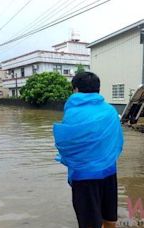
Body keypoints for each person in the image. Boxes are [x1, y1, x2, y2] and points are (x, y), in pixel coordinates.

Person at [53, 72, 124, 228]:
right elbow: (117, 140)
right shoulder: (110, 111)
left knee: (89, 223)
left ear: (76, 89)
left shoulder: (72, 112)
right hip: (109, 172)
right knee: (109, 218)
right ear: (98, 89)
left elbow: (66, 144)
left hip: (84, 177)